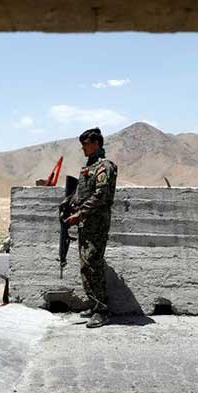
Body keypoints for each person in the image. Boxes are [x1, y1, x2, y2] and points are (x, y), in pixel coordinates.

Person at [63, 127, 118, 328]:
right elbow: (82, 193)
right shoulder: (90, 167)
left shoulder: (104, 167)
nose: (83, 149)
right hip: (86, 224)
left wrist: (80, 214)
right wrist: (70, 203)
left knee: (93, 265)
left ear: (96, 144)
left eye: (85, 145)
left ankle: (102, 311)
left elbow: (100, 195)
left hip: (96, 224)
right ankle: (95, 305)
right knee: (86, 266)